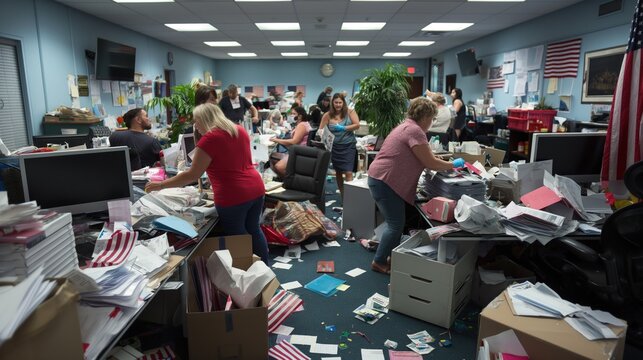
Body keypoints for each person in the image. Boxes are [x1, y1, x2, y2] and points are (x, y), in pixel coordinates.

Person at [144, 103, 270, 264]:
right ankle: (265, 270)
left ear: (205, 119)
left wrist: (160, 185)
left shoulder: (210, 139)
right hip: (255, 188)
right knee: (254, 230)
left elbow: (192, 175)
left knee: (238, 236)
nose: (195, 126)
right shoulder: (239, 130)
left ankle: (248, 274)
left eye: (197, 121)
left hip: (233, 195)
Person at [367, 97, 463, 274]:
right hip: (385, 180)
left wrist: (440, 160)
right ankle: (379, 262)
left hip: (380, 178)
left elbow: (422, 156)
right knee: (395, 225)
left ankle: (390, 257)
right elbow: (430, 163)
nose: (432, 122)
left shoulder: (406, 125)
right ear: (426, 116)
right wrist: (453, 165)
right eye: (432, 118)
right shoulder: (415, 131)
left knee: (396, 223)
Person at [319, 93, 359, 199]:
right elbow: (320, 130)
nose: (338, 105)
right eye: (336, 102)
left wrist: (343, 128)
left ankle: (350, 199)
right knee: (338, 172)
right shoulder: (327, 115)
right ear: (332, 103)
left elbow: (357, 125)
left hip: (348, 145)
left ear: (343, 103)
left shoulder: (350, 112)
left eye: (340, 102)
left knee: (349, 172)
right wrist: (323, 136)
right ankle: (343, 195)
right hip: (335, 147)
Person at [270, 106, 312, 178]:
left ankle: (291, 181)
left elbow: (294, 141)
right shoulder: (303, 123)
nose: (291, 116)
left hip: (299, 153)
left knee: (278, 167)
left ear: (300, 116)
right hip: (299, 151)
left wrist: (276, 140)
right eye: (291, 114)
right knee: (272, 157)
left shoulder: (301, 125)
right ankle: (283, 180)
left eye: (294, 114)